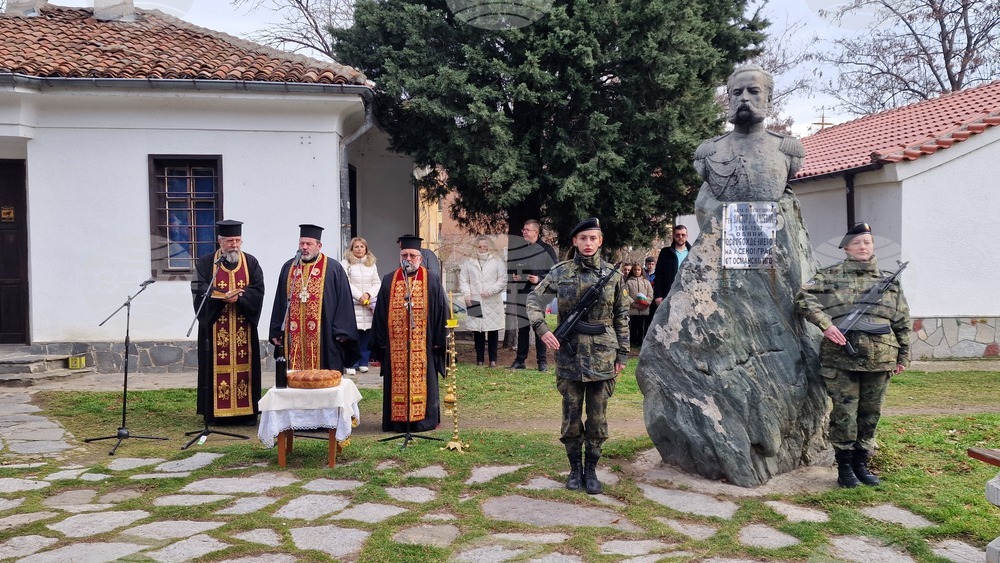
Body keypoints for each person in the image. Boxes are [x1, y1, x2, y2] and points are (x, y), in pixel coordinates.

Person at [795, 223, 911, 488]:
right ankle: (845, 467)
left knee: (870, 415)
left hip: (880, 359)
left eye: (867, 242)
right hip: (840, 359)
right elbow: (803, 299)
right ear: (846, 247)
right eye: (857, 242)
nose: (863, 247)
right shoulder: (828, 276)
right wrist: (826, 324)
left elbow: (902, 319)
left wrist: (904, 355)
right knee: (845, 414)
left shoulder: (888, 281)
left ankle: (862, 464)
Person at [527, 218, 629, 494]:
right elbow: (534, 301)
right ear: (574, 241)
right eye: (582, 238)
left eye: (592, 238)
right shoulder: (561, 272)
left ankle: (592, 471)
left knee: (597, 419)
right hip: (569, 357)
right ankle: (574, 470)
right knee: (571, 418)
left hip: (603, 358)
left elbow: (621, 316)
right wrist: (541, 328)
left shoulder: (613, 276)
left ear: (600, 241)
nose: (587, 244)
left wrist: (623, 353)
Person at [371, 235, 449, 433]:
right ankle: (397, 422)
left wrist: (440, 340)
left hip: (424, 344)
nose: (408, 258)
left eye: (412, 255)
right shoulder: (390, 279)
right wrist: (380, 342)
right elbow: (380, 311)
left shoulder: (431, 279)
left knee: (426, 382)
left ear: (420, 258)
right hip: (395, 345)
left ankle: (424, 421)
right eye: (404, 255)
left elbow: (441, 309)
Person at [192, 219, 265, 425]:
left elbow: (258, 289)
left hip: (244, 327)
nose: (234, 245)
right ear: (220, 241)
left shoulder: (251, 262)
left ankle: (246, 413)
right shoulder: (206, 263)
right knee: (215, 368)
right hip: (215, 326)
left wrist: (241, 298)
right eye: (229, 241)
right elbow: (199, 288)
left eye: (237, 240)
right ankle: (215, 414)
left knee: (246, 369)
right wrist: (222, 296)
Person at [268, 224, 360, 372]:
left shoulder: (333, 268)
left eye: (309, 244)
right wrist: (276, 330)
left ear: (319, 245)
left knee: (324, 379)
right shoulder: (289, 267)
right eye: (301, 243)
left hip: (325, 337)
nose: (304, 247)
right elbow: (279, 301)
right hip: (294, 335)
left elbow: (344, 302)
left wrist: (342, 332)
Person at [509, 219, 557, 371]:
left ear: (536, 232)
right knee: (523, 328)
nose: (524, 232)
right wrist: (515, 276)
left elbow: (554, 273)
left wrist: (539, 279)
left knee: (539, 328)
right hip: (522, 294)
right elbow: (512, 268)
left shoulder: (547, 250)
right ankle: (520, 360)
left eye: (527, 230)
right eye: (523, 229)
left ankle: (542, 362)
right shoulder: (520, 249)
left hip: (538, 296)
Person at [460, 236, 506, 367]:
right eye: (479, 246)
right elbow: (464, 279)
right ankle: (479, 359)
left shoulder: (497, 261)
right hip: (474, 299)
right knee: (477, 331)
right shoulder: (468, 262)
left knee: (493, 330)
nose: (482, 249)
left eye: (485, 246)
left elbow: (502, 280)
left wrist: (491, 291)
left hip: (492, 299)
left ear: (489, 246)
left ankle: (493, 360)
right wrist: (467, 294)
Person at [341, 237, 380, 376]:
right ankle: (351, 363)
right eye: (356, 247)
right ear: (351, 249)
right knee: (352, 336)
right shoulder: (346, 264)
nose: (359, 249)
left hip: (367, 306)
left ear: (366, 249)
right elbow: (345, 283)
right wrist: (360, 296)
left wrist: (368, 295)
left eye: (362, 247)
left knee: (366, 335)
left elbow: (377, 283)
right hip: (353, 305)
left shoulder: (372, 264)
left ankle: (363, 363)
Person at [652, 225, 691, 305]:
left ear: (687, 236)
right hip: (669, 294)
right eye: (677, 235)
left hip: (688, 294)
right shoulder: (665, 253)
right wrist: (658, 295)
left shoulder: (692, 253)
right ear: (673, 236)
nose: (680, 237)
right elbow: (659, 275)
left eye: (683, 235)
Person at [625, 263, 654, 347]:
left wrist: (646, 303)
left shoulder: (646, 282)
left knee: (642, 326)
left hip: (644, 309)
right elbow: (626, 294)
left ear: (641, 271)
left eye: (638, 270)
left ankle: (642, 341)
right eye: (635, 270)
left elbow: (650, 294)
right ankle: (633, 342)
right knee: (633, 326)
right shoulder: (629, 282)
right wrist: (633, 304)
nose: (637, 271)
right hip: (633, 309)